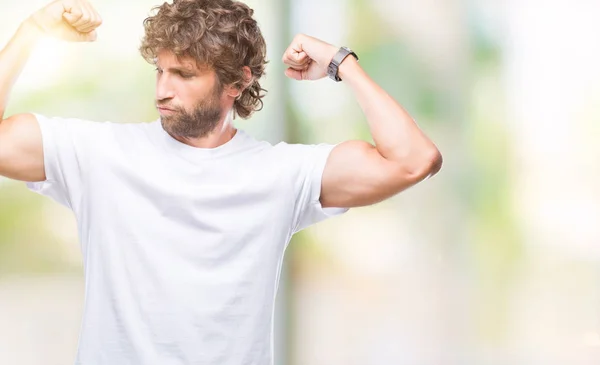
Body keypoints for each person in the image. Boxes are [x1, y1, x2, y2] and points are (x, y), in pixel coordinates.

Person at [0, 0, 442, 363]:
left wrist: (341, 64)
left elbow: (413, 160)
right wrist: (32, 30)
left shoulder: (280, 174)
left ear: (237, 81)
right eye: (160, 70)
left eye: (185, 74)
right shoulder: (100, 154)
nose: (163, 90)